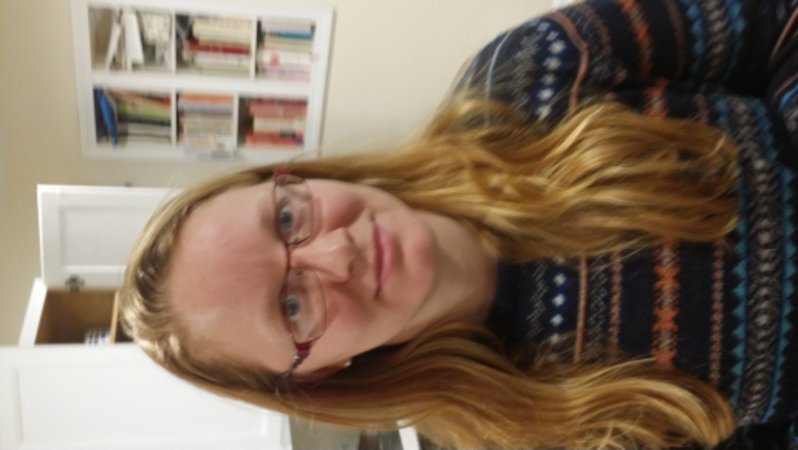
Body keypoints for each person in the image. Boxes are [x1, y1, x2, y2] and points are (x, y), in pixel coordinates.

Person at [120, 0, 798, 448]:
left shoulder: (530, 71)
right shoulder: (514, 438)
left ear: (296, 177)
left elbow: (774, 24)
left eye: (289, 218)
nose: (338, 252)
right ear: (318, 375)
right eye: (293, 307)